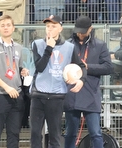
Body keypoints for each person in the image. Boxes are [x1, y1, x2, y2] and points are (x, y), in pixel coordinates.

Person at [29, 15, 85, 148]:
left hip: (57, 96)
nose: (49, 29)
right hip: (39, 94)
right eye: (47, 26)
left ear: (60, 28)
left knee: (55, 134)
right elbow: (40, 67)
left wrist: (81, 80)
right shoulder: (37, 44)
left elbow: (81, 66)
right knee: (35, 133)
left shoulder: (69, 47)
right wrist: (49, 48)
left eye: (53, 26)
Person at [64, 15, 112, 148]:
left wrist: (88, 67)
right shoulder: (68, 45)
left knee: (96, 133)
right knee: (70, 133)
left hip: (91, 93)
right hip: (71, 93)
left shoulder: (100, 45)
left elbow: (108, 67)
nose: (80, 34)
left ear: (90, 29)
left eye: (83, 31)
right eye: (78, 31)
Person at [0, 14, 29, 148]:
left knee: (14, 134)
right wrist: (6, 87)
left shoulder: (19, 48)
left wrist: (23, 72)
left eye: (8, 25)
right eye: (2, 26)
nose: (6, 28)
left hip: (16, 95)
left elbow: (17, 68)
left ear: (13, 28)